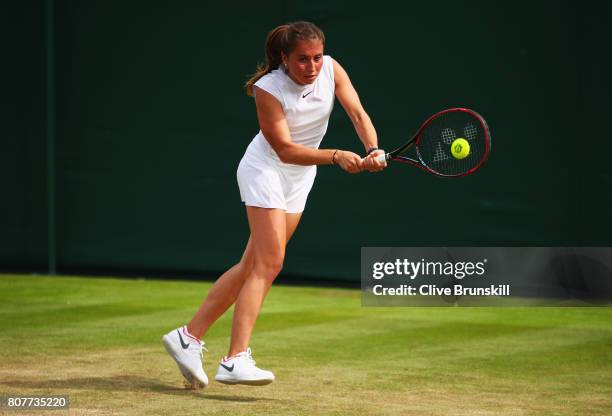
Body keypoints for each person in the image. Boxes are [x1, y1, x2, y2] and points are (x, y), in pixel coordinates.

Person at [162, 21, 386, 388]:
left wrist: (372, 148)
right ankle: (234, 360)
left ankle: (188, 337)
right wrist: (335, 156)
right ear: (284, 58)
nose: (312, 67)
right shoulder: (268, 89)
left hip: (299, 179)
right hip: (265, 170)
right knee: (271, 262)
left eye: (316, 58)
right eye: (302, 60)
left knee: (252, 264)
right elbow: (283, 149)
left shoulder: (332, 69)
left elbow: (359, 114)